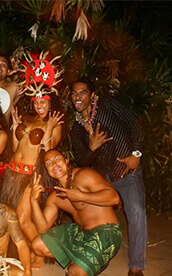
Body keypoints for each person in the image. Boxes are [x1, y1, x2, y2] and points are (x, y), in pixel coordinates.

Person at [70, 76, 147, 276]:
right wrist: (91, 148)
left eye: (83, 92)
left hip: (126, 171)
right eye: (74, 93)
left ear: (92, 94)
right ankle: (95, 258)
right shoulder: (76, 127)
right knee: (93, 218)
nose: (77, 97)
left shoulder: (109, 105)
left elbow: (135, 124)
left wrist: (136, 155)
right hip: (102, 179)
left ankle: (136, 267)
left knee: (136, 212)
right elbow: (82, 161)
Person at [0, 50, 64, 266]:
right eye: (35, 103)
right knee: (12, 217)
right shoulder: (25, 119)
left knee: (23, 217)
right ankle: (22, 250)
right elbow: (15, 147)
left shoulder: (55, 123)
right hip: (12, 173)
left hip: (30, 175)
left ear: (50, 102)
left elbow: (49, 154)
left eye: (43, 102)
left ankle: (40, 252)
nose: (39, 106)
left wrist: (50, 129)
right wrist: (15, 127)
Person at [30, 149, 122, 276]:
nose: (54, 164)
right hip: (81, 234)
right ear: (47, 171)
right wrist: (33, 201)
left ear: (66, 160)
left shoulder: (84, 175)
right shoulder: (55, 197)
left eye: (57, 159)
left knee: (74, 272)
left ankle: (85, 263)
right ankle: (85, 260)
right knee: (37, 245)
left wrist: (82, 196)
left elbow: (114, 198)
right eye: (49, 163)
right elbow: (42, 228)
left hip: (106, 233)